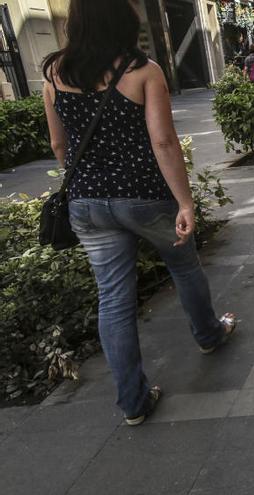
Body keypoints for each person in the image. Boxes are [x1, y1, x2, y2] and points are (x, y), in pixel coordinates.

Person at [41, 0, 237, 427]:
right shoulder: (142, 71)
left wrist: (91, 185)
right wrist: (185, 202)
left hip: (87, 204)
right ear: (122, 18)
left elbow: (58, 146)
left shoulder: (54, 74)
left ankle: (133, 401)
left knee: (113, 298)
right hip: (145, 196)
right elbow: (164, 143)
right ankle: (208, 334)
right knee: (183, 267)